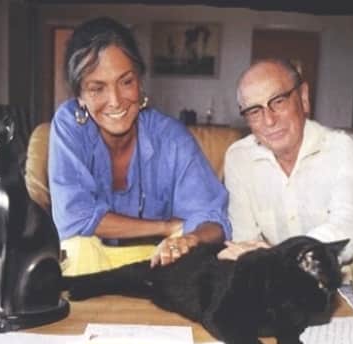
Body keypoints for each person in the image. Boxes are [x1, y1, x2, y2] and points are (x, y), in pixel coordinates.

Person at [48, 17, 230, 276]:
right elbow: (75, 218)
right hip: (92, 265)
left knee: (193, 251)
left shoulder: (172, 139)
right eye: (97, 88)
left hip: (159, 263)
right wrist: (166, 227)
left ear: (140, 81)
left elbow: (214, 220)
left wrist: (188, 238)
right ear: (79, 96)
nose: (115, 101)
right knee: (76, 248)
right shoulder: (70, 125)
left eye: (126, 82)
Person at [220, 57, 353, 263]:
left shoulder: (348, 150)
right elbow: (244, 240)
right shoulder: (238, 158)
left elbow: (349, 228)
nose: (269, 120)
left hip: (332, 278)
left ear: (303, 97)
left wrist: (280, 257)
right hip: (269, 277)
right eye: (255, 111)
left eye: (278, 101)